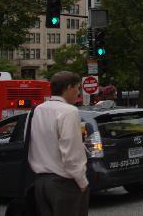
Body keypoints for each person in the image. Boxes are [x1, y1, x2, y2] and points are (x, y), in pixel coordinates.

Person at [28, 71, 89, 216]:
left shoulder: (37, 110)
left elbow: (32, 141)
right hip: (64, 182)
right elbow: (71, 153)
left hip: (41, 182)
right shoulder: (69, 111)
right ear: (69, 88)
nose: (78, 93)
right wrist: (82, 181)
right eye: (77, 88)